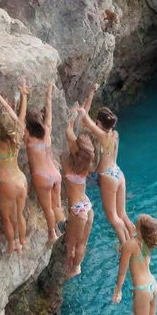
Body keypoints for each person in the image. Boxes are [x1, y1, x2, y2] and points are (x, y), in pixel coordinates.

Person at [0, 80, 29, 254]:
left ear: (0, 127)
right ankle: (22, 242)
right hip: (21, 181)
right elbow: (19, 115)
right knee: (20, 214)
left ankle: (12, 244)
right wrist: (23, 96)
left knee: (8, 218)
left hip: (7, 183)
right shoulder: (18, 133)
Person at [78, 98, 135, 245]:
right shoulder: (115, 135)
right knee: (123, 214)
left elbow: (84, 118)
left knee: (113, 217)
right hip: (118, 173)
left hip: (108, 177)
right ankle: (135, 240)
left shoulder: (102, 136)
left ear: (99, 122)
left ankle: (125, 245)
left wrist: (86, 101)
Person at [25, 81, 64, 243]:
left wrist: (23, 97)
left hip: (42, 176)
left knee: (47, 207)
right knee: (57, 204)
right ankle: (62, 225)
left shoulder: (28, 137)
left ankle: (52, 233)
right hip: (55, 174)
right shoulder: (46, 130)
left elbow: (17, 119)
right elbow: (49, 111)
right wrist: (49, 91)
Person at [62, 111, 95, 277]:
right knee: (82, 243)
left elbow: (69, 135)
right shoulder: (86, 166)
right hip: (87, 206)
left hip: (76, 210)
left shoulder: (67, 165)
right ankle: (77, 266)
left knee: (71, 244)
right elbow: (74, 141)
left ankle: (72, 268)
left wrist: (71, 120)